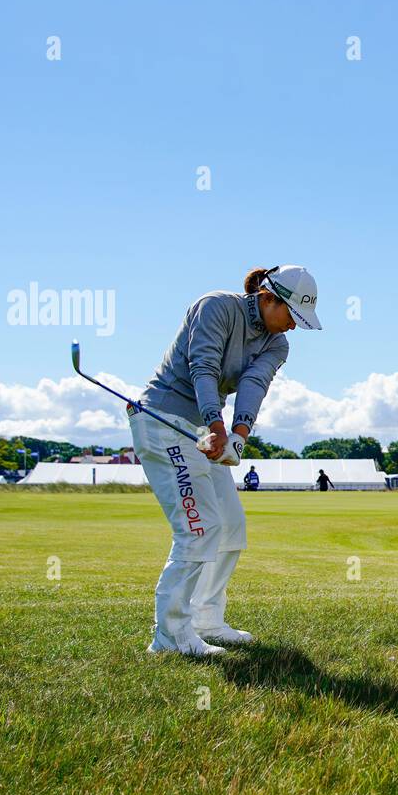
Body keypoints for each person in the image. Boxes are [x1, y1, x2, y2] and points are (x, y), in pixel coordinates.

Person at [132, 264, 321, 656]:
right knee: (198, 527)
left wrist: (238, 435)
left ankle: (206, 618)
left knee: (231, 526)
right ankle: (170, 635)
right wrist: (216, 425)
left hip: (203, 431)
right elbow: (203, 367)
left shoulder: (277, 344)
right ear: (269, 298)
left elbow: (254, 385)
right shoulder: (215, 306)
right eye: (291, 316)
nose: (293, 327)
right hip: (165, 421)